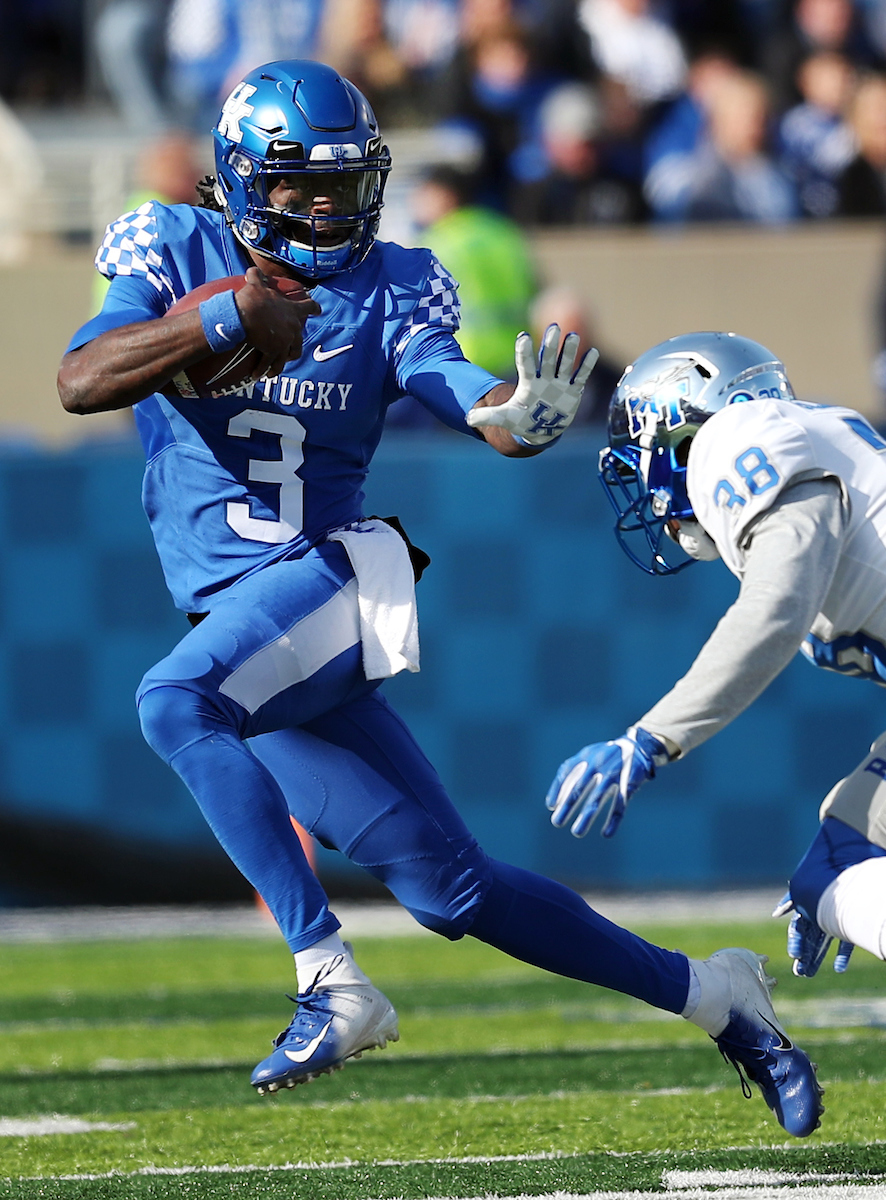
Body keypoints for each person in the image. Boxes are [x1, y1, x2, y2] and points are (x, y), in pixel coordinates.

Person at [57, 61, 822, 1139]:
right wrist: (221, 324)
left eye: (342, 184)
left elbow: (468, 393)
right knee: (453, 893)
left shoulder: (396, 279)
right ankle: (717, 998)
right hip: (243, 630)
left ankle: (330, 980)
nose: (326, 209)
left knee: (175, 704)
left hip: (326, 583)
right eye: (298, 187)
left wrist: (521, 416)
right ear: (237, 181)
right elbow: (83, 379)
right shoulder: (167, 244)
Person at [545, 330, 886, 982]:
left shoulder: (736, 437)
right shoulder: (814, 434)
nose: (644, 481)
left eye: (644, 452)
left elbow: (776, 608)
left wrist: (651, 739)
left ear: (683, 431)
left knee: (840, 865)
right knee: (838, 857)